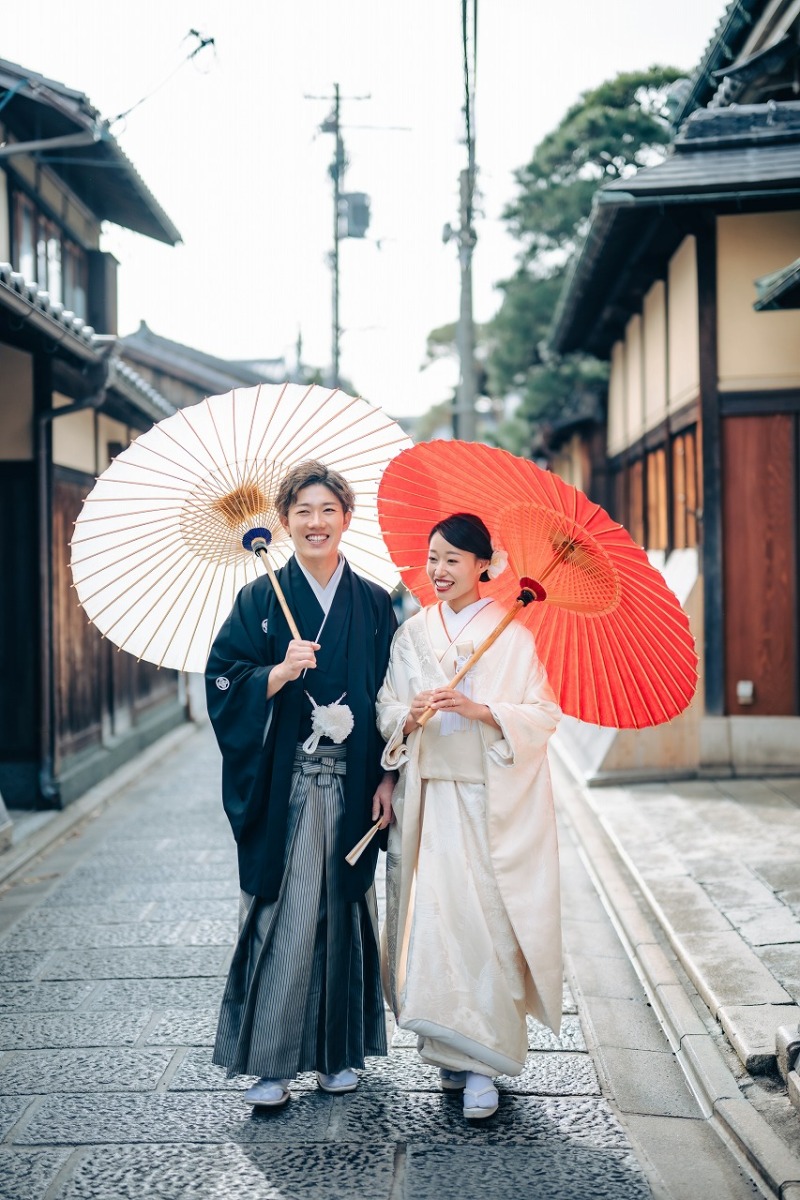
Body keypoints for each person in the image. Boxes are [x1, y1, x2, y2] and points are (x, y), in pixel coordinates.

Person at [206, 460, 396, 1108]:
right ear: (283, 522)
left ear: (346, 518)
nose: (316, 523)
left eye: (327, 510)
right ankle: (272, 1063)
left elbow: (390, 695)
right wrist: (275, 675)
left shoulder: (373, 601)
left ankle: (338, 1056)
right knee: (282, 915)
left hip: (353, 782)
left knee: (343, 913)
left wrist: (388, 777)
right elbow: (223, 680)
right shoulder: (259, 599)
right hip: (286, 783)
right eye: (303, 512)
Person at [376, 512, 562, 1121]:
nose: (439, 570)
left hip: (485, 801)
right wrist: (409, 716)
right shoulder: (412, 633)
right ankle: (450, 1049)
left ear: (484, 565)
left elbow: (542, 714)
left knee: (484, 924)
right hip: (429, 798)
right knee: (434, 923)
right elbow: (386, 705)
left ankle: (484, 1064)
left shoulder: (512, 636)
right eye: (433, 558)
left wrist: (482, 710)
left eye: (453, 559)